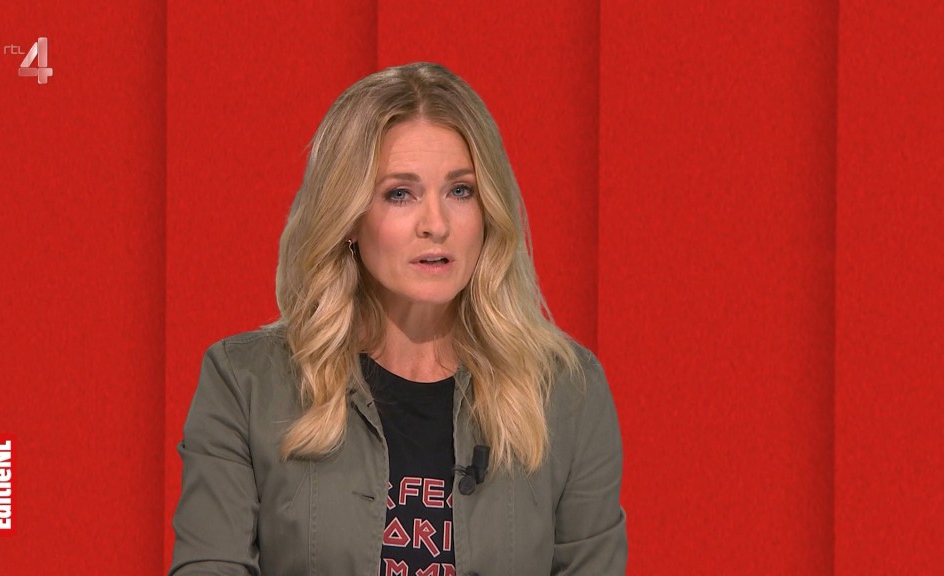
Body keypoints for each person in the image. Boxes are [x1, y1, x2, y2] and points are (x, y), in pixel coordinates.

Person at [168, 61, 627, 576]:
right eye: (400, 194)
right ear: (349, 217)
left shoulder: (567, 393)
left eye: (460, 191)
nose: (435, 224)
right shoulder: (246, 385)